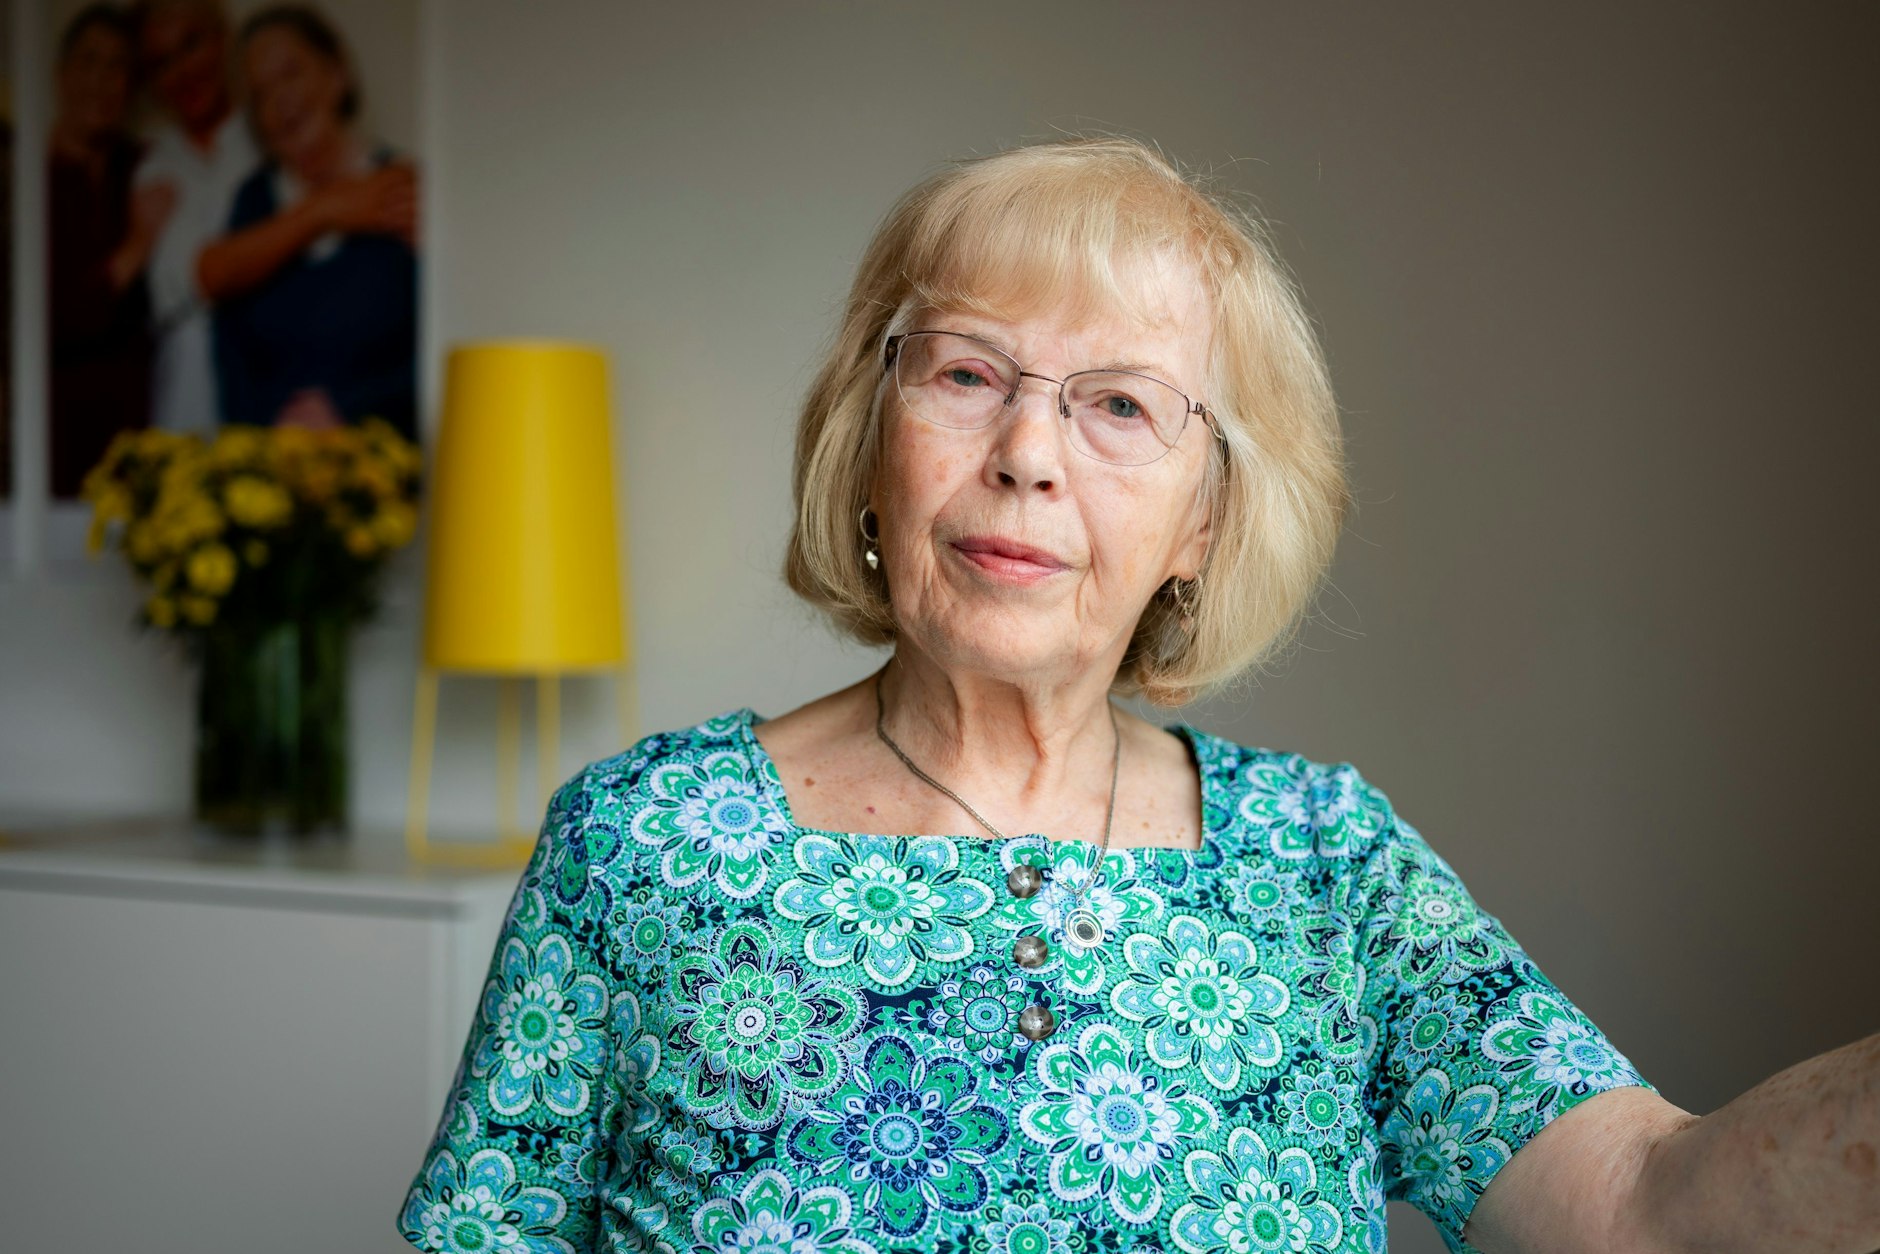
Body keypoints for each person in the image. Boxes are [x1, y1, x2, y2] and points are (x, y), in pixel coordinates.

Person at [396, 139, 1879, 1254]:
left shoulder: (1325, 866)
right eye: (969, 373)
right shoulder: (644, 841)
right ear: (870, 440)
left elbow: (1642, 1201)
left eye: (1118, 404)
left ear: (1204, 523)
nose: (1028, 453)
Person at [204, 4, 417, 439]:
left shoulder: (401, 187)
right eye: (261, 94)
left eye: (291, 73)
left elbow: (434, 347)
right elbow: (230, 350)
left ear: (337, 73)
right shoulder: (254, 201)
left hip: (385, 470)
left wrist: (348, 410)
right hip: (271, 475)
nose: (281, 100)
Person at [48, 4, 162, 499]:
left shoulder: (146, 169)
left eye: (118, 67)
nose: (102, 80)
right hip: (52, 439)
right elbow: (50, 318)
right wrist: (135, 250)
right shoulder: (24, 179)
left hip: (139, 440)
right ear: (61, 75)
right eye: (89, 62)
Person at [129, 0, 259, 437]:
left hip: (270, 384)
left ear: (221, 40)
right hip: (186, 405)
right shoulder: (154, 167)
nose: (182, 72)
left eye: (191, 45)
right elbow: (173, 285)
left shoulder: (268, 136)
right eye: (162, 62)